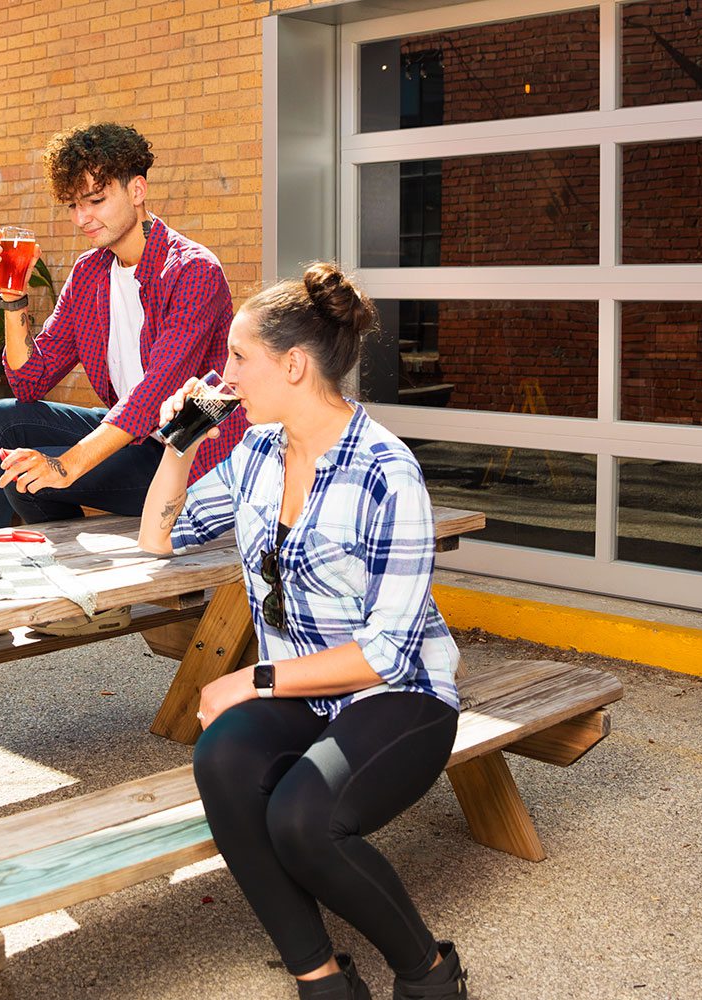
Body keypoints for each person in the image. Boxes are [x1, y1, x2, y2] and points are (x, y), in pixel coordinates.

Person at [137, 263, 469, 1000]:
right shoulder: (255, 453)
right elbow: (161, 537)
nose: (223, 376)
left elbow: (386, 651)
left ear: (293, 364)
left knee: (301, 819)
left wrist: (253, 678)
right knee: (222, 760)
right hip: (304, 689)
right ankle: (321, 980)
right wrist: (179, 443)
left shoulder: (387, 472)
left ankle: (428, 972)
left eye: (238, 358)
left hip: (397, 693)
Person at [0, 121, 247, 532]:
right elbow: (30, 382)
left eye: (96, 200)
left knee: (29, 473)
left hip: (190, 457)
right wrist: (13, 298)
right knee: (2, 424)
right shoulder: (90, 274)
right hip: (135, 442)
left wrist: (64, 467)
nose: (82, 218)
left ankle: (67, 581)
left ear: (136, 190)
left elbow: (154, 396)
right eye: (73, 205)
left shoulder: (191, 271)